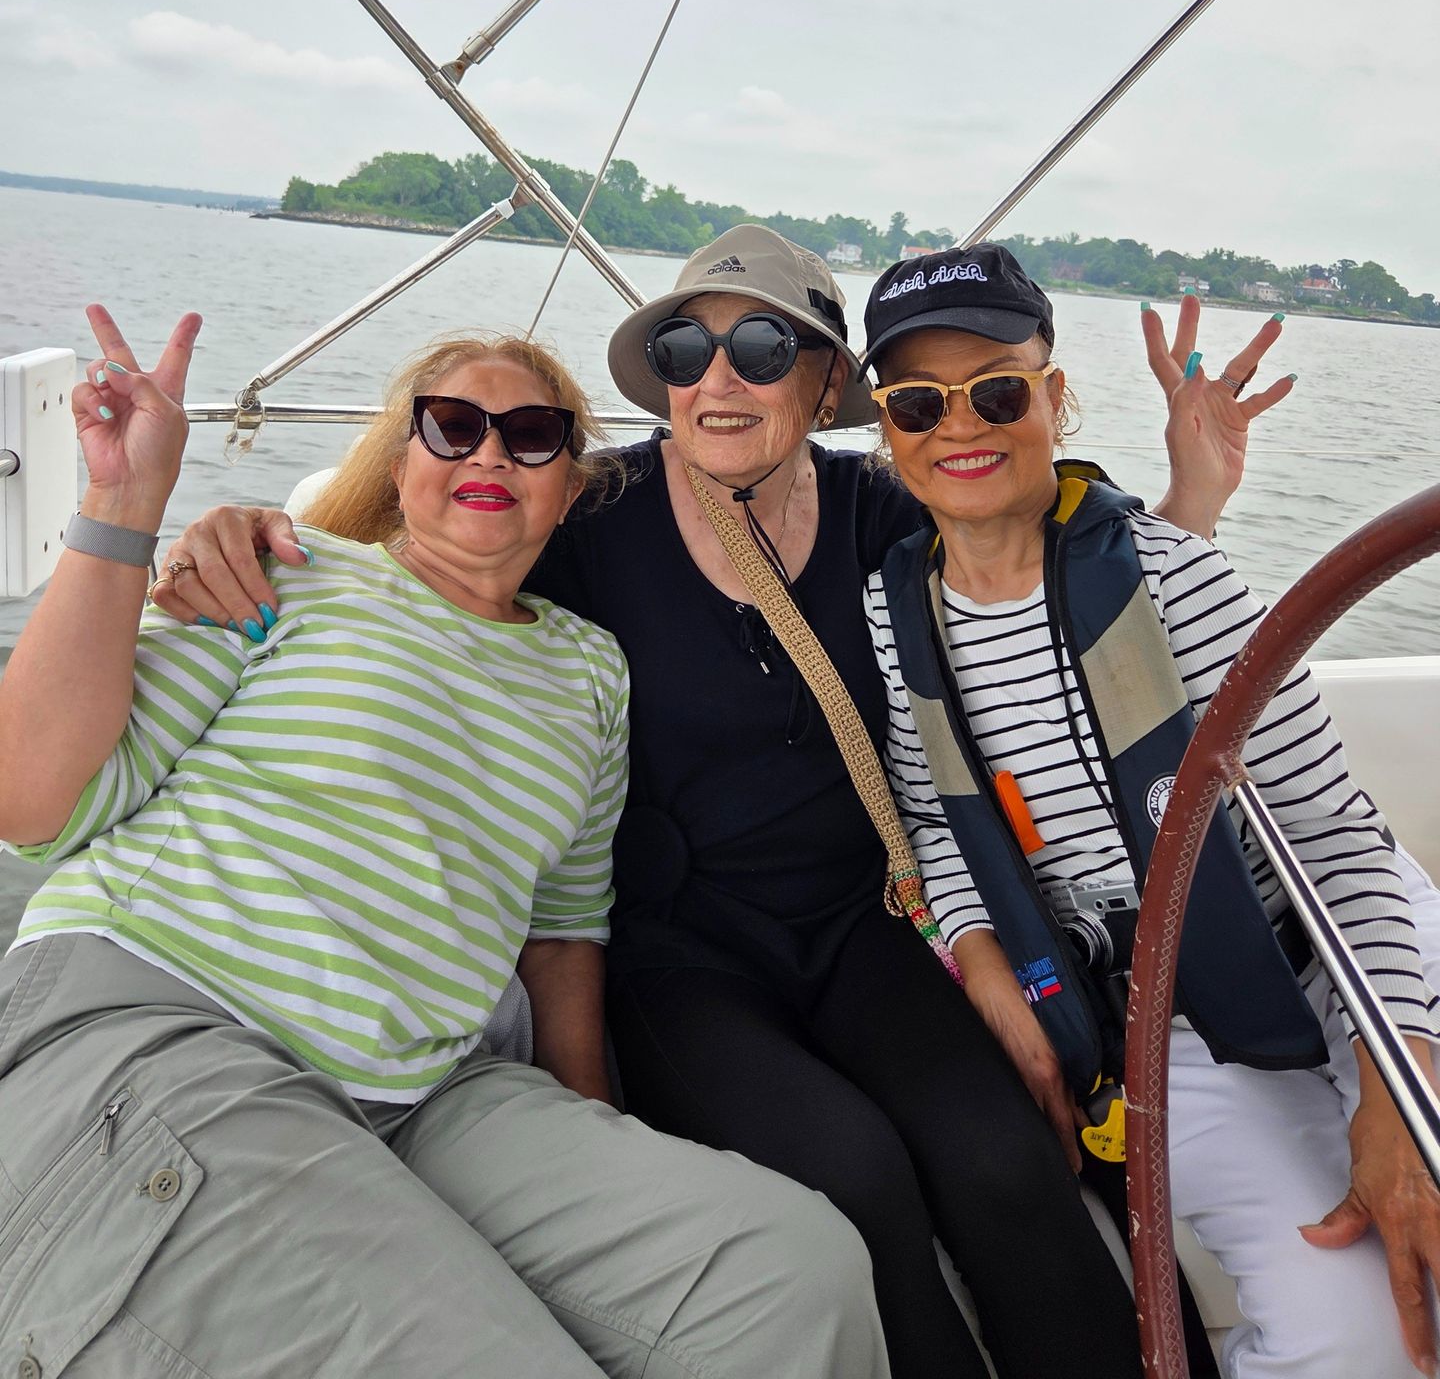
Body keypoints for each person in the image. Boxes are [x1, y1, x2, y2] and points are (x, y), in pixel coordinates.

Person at [141, 227, 1290, 1378]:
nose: (717, 376)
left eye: (760, 345)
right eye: (687, 347)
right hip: (679, 953)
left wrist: (1195, 490)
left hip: (868, 924)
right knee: (856, 1179)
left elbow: (1065, 586)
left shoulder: (882, 513)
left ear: (828, 380)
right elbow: (433, 558)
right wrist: (241, 537)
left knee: (1004, 1161)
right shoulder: (591, 515)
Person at [0, 305, 889, 1379]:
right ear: (405, 453)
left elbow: (563, 931)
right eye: (453, 424)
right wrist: (123, 507)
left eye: (531, 436)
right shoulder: (286, 576)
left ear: (569, 486)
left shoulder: (589, 672)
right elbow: (33, 800)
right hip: (187, 1018)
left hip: (424, 1090)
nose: (488, 452)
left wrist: (588, 1129)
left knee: (794, 1274)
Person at [860, 240, 1440, 1379]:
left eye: (998, 390)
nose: (959, 426)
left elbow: (1337, 841)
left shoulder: (1177, 576)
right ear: (886, 426)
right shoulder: (898, 616)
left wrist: (1393, 1084)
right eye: (920, 401)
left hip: (1344, 959)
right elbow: (933, 823)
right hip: (1166, 1026)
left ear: (1056, 398)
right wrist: (987, 970)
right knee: (1351, 1334)